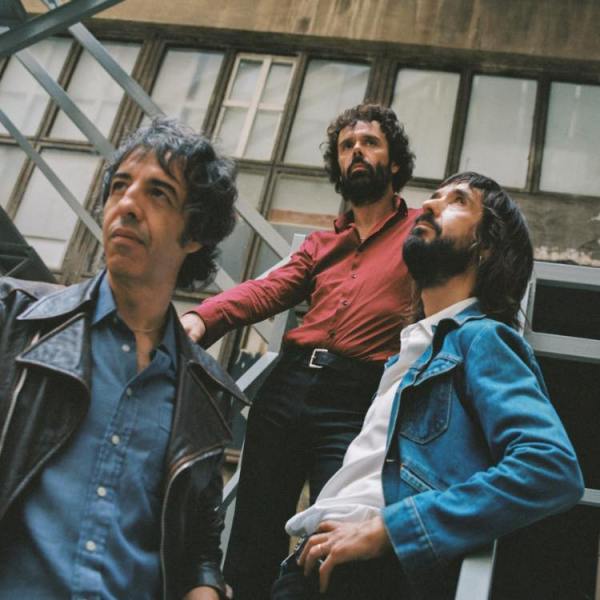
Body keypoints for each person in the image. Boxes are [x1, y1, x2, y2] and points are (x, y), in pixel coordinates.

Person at [273, 171, 584, 600]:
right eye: (434, 196)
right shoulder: (408, 355)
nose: (431, 205)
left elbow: (550, 467)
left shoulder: (481, 338)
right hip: (315, 556)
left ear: (486, 247)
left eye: (457, 201)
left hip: (374, 570)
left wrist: (394, 529)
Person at [180, 103, 420, 598]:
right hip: (287, 388)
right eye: (347, 146)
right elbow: (268, 290)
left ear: (395, 161)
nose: (357, 151)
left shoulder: (420, 233)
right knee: (252, 536)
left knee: (333, 531)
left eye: (370, 143)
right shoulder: (319, 245)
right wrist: (202, 318)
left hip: (356, 399)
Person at [0, 118, 245, 600]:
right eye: (119, 186)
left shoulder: (205, 390)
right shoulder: (15, 320)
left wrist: (206, 588)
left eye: (158, 193)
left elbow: (199, 545)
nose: (127, 205)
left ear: (195, 234)